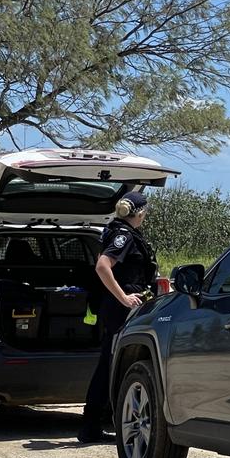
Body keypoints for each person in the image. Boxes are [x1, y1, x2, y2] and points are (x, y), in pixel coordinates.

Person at [77, 190, 157, 443]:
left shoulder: (120, 232)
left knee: (112, 364)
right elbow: (102, 266)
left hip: (122, 308)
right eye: (145, 210)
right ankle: (90, 426)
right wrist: (123, 297)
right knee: (110, 365)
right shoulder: (123, 235)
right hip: (121, 310)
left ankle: (102, 423)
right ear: (139, 211)